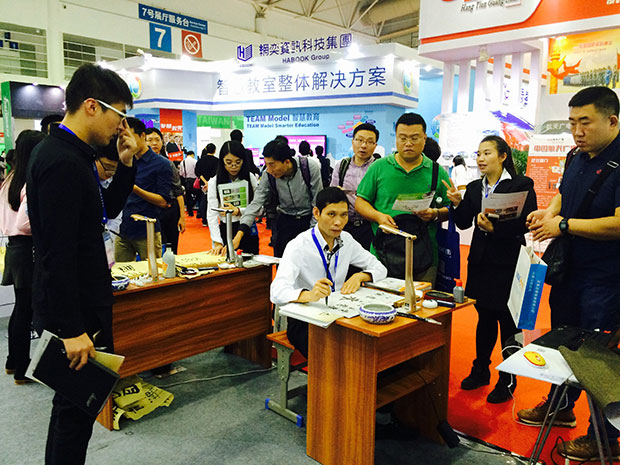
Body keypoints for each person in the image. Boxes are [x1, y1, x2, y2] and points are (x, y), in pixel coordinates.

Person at [26, 63, 137, 465]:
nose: (121, 126)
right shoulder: (62, 162)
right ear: (92, 106)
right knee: (75, 413)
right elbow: (57, 253)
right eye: (118, 114)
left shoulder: (74, 155)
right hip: (77, 313)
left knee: (74, 409)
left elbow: (104, 211)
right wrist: (72, 329)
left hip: (84, 303)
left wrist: (126, 164)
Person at [521, 86, 620, 461]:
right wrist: (548, 214)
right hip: (568, 271)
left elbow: (618, 223)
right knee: (563, 344)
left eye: (586, 122)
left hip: (606, 278)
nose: (577, 131)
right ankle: (560, 406)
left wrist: (562, 225)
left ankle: (604, 438)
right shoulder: (576, 156)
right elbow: (565, 194)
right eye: (573, 122)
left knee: (599, 358)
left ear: (612, 120)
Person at [444, 135, 537, 403]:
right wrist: (457, 203)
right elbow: (464, 223)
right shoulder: (475, 187)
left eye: (487, 153)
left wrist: (496, 229)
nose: (481, 158)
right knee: (484, 318)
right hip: (481, 263)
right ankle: (480, 370)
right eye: (478, 154)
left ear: (503, 156)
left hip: (509, 263)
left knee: (508, 322)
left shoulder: (520, 185)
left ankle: (508, 379)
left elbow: (526, 223)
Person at [270, 187, 387, 357]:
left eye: (343, 215)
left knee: (368, 346)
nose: (338, 222)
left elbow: (380, 268)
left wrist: (360, 276)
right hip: (306, 319)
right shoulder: (299, 246)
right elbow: (276, 291)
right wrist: (309, 295)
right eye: (331, 214)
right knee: (336, 355)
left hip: (339, 313)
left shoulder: (346, 240)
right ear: (316, 213)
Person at [355, 112, 451, 285]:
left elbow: (449, 209)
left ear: (424, 138)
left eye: (414, 138)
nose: (408, 143)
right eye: (403, 138)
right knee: (380, 299)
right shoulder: (379, 167)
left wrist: (434, 214)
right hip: (382, 255)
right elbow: (360, 202)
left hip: (424, 258)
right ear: (396, 139)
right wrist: (379, 216)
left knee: (421, 301)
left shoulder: (437, 172)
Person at [0, 129, 45, 385]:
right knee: (26, 309)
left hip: (14, 248)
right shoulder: (28, 182)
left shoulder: (10, 179)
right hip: (27, 249)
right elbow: (24, 223)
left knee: (20, 308)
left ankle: (12, 361)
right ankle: (21, 369)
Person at [233, 138, 322, 257]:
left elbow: (318, 202)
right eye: (266, 165)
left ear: (287, 162)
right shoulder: (268, 175)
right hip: (284, 222)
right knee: (282, 260)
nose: (269, 170)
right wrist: (240, 233)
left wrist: (312, 233)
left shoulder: (309, 167)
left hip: (308, 220)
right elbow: (257, 202)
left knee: (307, 260)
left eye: (272, 165)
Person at [115, 119, 171, 262]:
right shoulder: (125, 160)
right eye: (122, 137)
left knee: (152, 272)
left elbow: (163, 201)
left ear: (142, 136)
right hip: (123, 229)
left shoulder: (162, 164)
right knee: (119, 271)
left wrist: (134, 188)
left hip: (147, 232)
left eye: (129, 136)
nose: (126, 141)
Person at [330, 122, 380, 250]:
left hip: (369, 227)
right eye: (360, 140)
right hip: (345, 226)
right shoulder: (341, 166)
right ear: (353, 142)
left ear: (375, 146)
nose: (363, 145)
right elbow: (331, 196)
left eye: (369, 142)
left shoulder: (379, 168)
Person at [207, 140, 259, 254]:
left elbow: (259, 208)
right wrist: (217, 241)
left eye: (238, 162)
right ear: (222, 161)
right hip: (226, 229)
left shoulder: (250, 178)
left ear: (243, 161)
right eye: (229, 162)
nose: (233, 166)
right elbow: (211, 214)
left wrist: (239, 211)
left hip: (248, 228)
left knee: (251, 262)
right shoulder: (214, 182)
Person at [145, 127, 185, 254]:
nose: (154, 143)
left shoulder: (168, 164)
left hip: (170, 210)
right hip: (150, 211)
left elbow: (178, 191)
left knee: (171, 248)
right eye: (150, 140)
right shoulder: (139, 164)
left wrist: (182, 217)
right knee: (154, 248)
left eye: (157, 139)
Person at [195, 143, 219, 226]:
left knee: (204, 200)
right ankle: (212, 219)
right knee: (213, 201)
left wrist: (205, 182)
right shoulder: (217, 161)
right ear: (214, 150)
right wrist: (210, 182)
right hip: (213, 183)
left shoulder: (201, 160)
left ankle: (204, 220)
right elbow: (218, 173)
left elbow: (197, 172)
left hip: (203, 184)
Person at [179, 150, 199, 217]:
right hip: (194, 180)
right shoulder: (195, 161)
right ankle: (195, 207)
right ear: (192, 155)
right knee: (198, 195)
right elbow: (197, 171)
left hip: (187, 181)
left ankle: (190, 212)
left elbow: (181, 173)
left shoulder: (182, 162)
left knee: (188, 196)